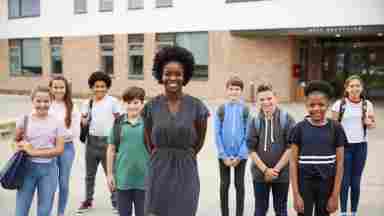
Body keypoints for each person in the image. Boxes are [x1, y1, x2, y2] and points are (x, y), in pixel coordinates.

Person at [142, 46, 209, 216]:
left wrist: (184, 154)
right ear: (160, 75)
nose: (173, 78)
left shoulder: (197, 106)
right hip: (158, 171)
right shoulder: (151, 107)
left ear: (185, 76)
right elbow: (148, 141)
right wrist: (162, 155)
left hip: (186, 170)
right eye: (168, 73)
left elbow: (199, 142)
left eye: (178, 73)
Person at [290, 80, 346, 216]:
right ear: (306, 105)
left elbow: (340, 163)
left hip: (327, 184)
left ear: (328, 105)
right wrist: (296, 195)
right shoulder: (299, 129)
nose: (316, 108)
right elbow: (292, 162)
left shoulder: (336, 128)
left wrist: (335, 195)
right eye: (312, 105)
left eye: (321, 104)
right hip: (304, 184)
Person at [15, 85, 65, 216]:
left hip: (49, 170)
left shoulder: (57, 122)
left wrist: (33, 152)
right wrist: (18, 144)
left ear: (51, 101)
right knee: (21, 210)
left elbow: (59, 149)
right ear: (32, 101)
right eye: (38, 101)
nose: (42, 104)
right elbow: (15, 142)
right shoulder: (24, 120)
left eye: (46, 101)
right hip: (27, 169)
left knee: (44, 210)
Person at [247, 84, 295, 216]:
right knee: (260, 209)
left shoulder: (287, 119)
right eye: (262, 100)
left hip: (282, 174)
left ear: (275, 98)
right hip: (259, 174)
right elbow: (250, 149)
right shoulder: (255, 121)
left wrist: (276, 170)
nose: (266, 102)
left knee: (281, 209)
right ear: (258, 101)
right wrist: (265, 170)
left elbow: (291, 147)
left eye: (269, 98)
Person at [331, 75, 376, 216]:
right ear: (346, 88)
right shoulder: (339, 104)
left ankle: (354, 212)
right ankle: (343, 212)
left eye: (358, 86)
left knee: (356, 182)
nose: (355, 88)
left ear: (362, 88)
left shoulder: (367, 104)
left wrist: (370, 124)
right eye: (352, 86)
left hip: (361, 147)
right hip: (344, 147)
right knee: (344, 182)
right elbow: (333, 127)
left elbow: (373, 124)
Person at [77, 71, 121, 214]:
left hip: (108, 143)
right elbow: (84, 121)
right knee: (90, 175)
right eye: (96, 86)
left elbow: (119, 120)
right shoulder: (87, 103)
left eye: (103, 86)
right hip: (92, 142)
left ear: (107, 87)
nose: (100, 89)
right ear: (92, 87)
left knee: (112, 173)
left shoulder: (113, 102)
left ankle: (116, 202)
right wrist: (83, 122)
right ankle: (88, 201)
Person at [106, 86, 149, 216]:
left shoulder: (148, 123)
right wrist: (109, 174)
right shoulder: (118, 123)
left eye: (135, 102)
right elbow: (111, 149)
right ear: (123, 103)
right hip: (123, 180)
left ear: (142, 103)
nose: (132, 106)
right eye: (128, 102)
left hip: (145, 181)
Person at [214, 76, 249, 216]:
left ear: (241, 91)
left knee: (239, 186)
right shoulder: (221, 109)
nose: (234, 92)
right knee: (224, 185)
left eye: (237, 89)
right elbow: (217, 134)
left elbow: (248, 134)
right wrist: (223, 155)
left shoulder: (245, 110)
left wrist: (240, 155)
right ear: (226, 91)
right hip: (224, 156)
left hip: (241, 156)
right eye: (231, 89)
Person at [49, 76, 81, 216]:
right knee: (50, 183)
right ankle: (46, 211)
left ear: (66, 88)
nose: (58, 90)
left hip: (66, 148)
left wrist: (56, 133)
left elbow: (75, 132)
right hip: (48, 148)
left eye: (61, 87)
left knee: (63, 183)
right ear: (50, 88)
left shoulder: (72, 106)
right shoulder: (46, 103)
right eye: (55, 87)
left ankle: (60, 212)